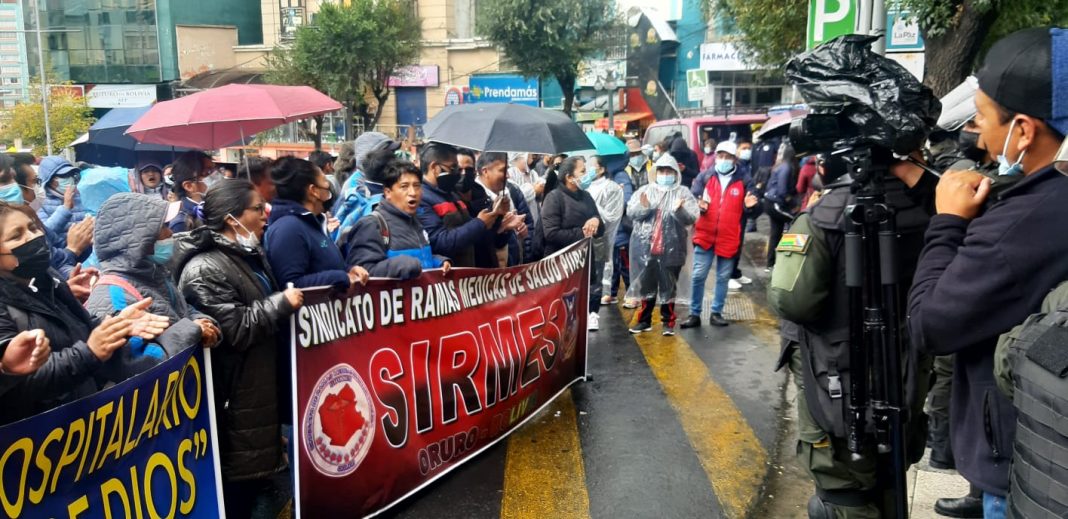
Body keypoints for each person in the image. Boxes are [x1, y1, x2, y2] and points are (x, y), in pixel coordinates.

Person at [907, 27, 1068, 519]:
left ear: (1022, 130)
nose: (976, 131)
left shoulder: (1023, 224)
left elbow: (929, 324)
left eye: (980, 117)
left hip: (1023, 468)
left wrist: (948, 223)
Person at [768, 143, 934, 518]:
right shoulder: (931, 210)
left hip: (840, 391)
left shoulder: (823, 217)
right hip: (903, 381)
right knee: (889, 481)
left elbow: (793, 300)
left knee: (845, 497)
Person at [173, 179, 303, 519]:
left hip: (258, 390)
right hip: (236, 396)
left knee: (259, 486)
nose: (266, 214)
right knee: (240, 495)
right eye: (257, 209)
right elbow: (235, 330)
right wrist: (281, 304)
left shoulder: (248, 254)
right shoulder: (204, 269)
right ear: (233, 219)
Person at [0, 201, 170, 424]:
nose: (32, 238)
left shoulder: (49, 279)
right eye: (16, 236)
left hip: (81, 421)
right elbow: (23, 381)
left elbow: (82, 329)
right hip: (38, 438)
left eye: (33, 228)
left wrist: (118, 324)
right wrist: (90, 352)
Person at [85, 193, 219, 376]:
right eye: (163, 226)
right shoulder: (114, 296)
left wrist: (203, 323)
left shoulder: (155, 273)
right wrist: (192, 331)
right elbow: (140, 365)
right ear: (137, 237)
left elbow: (182, 310)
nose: (170, 232)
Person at [682, 141, 759, 329]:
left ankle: (716, 312)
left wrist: (751, 207)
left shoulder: (745, 180)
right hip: (705, 234)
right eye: (720, 156)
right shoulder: (705, 176)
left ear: (734, 159)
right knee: (699, 275)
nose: (723, 160)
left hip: (730, 236)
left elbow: (755, 209)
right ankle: (694, 314)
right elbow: (693, 200)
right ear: (716, 156)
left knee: (723, 277)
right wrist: (698, 205)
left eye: (728, 157)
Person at [265, 157, 369, 289]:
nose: (328, 187)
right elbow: (291, 285)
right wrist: (341, 278)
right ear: (313, 191)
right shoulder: (289, 229)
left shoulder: (312, 222)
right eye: (325, 182)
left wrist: (349, 270)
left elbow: (322, 264)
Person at [347, 152, 451, 279]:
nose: (413, 193)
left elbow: (420, 258)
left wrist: (439, 262)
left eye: (417, 186)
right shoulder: (372, 225)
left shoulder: (415, 221)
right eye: (404, 186)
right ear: (388, 192)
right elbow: (362, 273)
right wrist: (401, 265)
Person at [626, 154, 698, 336]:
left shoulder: (683, 193)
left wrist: (679, 210)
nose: (665, 174)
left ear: (675, 173)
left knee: (669, 286)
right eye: (662, 171)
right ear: (655, 172)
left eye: (669, 171)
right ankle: (644, 321)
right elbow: (632, 213)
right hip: (646, 249)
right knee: (646, 287)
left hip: (672, 249)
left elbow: (691, 218)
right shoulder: (645, 191)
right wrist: (645, 207)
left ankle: (668, 322)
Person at [541, 156, 605, 327]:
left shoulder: (586, 196)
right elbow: (551, 233)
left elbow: (600, 226)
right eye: (583, 171)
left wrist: (596, 222)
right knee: (559, 318)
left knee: (577, 318)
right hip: (560, 266)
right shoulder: (554, 198)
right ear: (569, 177)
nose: (587, 174)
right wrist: (583, 233)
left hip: (583, 264)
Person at [7, 154, 93, 280]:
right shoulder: (39, 208)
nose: (33, 237)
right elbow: (47, 259)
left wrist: (84, 240)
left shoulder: (32, 213)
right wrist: (72, 249)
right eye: (35, 182)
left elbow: (56, 258)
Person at [416, 142, 497, 267]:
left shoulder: (452, 194)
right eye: (453, 168)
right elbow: (439, 242)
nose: (458, 174)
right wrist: (479, 223)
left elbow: (471, 232)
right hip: (446, 279)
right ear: (434, 168)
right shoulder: (421, 199)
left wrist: (497, 219)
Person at [467, 152, 531, 268]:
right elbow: (478, 241)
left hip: (514, 266)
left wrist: (521, 232)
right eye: (502, 170)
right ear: (485, 171)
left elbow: (528, 224)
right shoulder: (474, 199)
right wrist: (501, 227)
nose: (508, 175)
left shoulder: (512, 191)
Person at [584, 155, 624, 324]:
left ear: (601, 169)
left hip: (600, 239)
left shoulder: (612, 188)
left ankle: (593, 313)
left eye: (592, 166)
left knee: (596, 276)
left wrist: (592, 205)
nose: (588, 171)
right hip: (580, 239)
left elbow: (612, 217)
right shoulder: (581, 187)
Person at [763, 145, 799, 270]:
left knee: (776, 233)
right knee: (795, 221)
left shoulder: (780, 165)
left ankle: (771, 264)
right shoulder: (787, 168)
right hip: (775, 203)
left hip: (770, 201)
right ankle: (789, 258)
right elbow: (782, 191)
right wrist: (793, 204)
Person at [36, 156, 87, 243]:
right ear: (50, 181)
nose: (69, 178)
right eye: (64, 176)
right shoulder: (38, 203)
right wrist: (65, 208)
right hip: (65, 253)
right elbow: (45, 234)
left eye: (71, 174)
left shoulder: (80, 195)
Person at [168, 151, 215, 232]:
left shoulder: (217, 206)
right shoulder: (181, 223)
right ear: (189, 186)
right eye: (208, 173)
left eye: (215, 171)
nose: (216, 177)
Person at [508, 152, 544, 225]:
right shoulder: (511, 173)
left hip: (534, 217)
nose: (534, 158)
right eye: (531, 155)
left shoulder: (533, 173)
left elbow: (538, 199)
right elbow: (515, 197)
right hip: (521, 222)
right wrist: (533, 190)